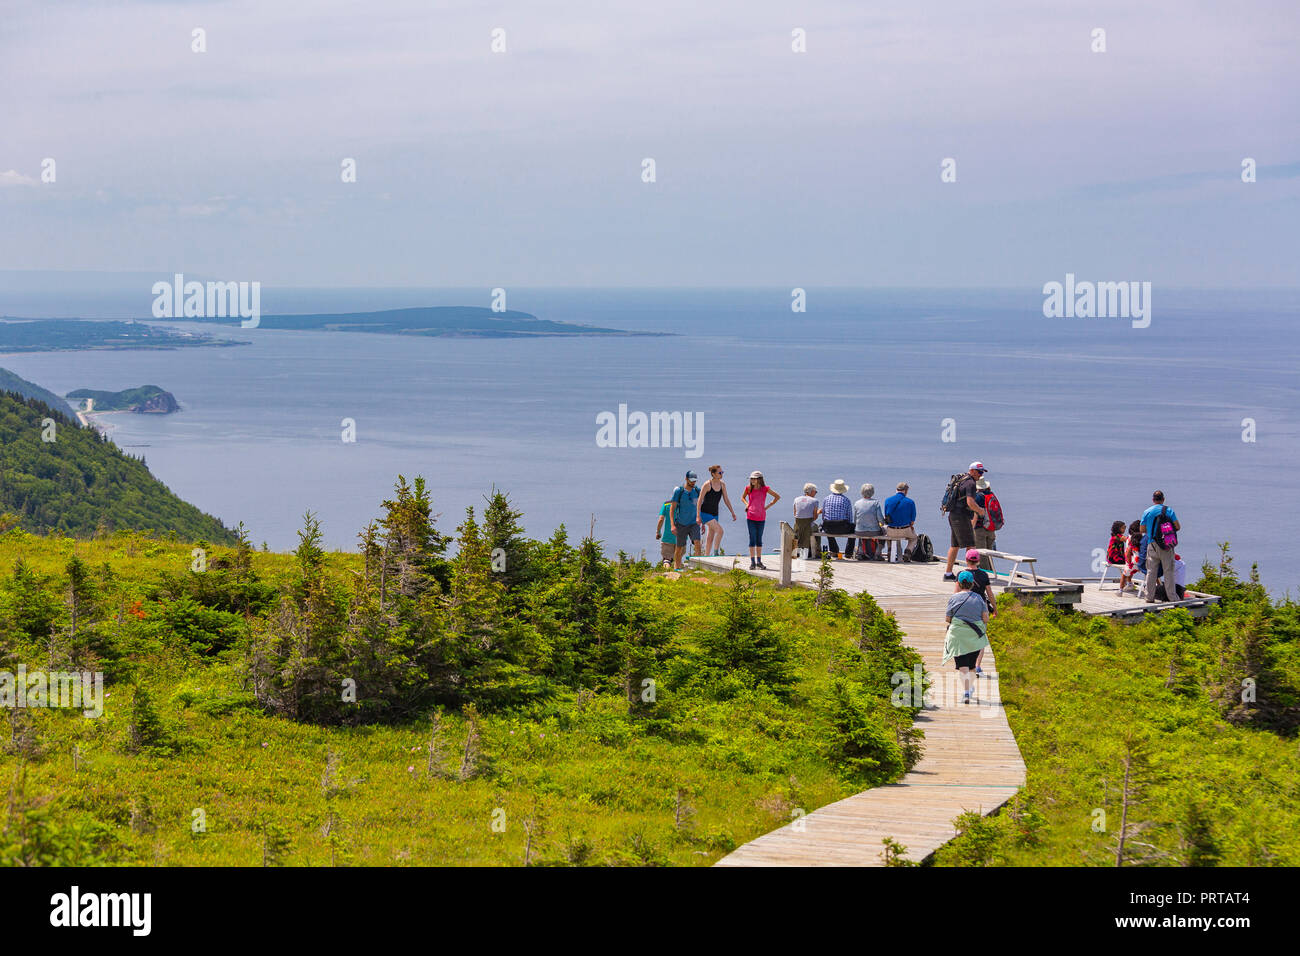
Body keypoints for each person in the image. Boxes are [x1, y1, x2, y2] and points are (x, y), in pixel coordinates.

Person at [944, 571, 989, 705]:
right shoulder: (979, 598)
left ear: (958, 583)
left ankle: (967, 691)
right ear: (972, 583)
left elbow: (948, 619)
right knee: (971, 665)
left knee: (962, 664)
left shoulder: (954, 598)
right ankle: (969, 688)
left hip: (958, 636)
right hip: (974, 636)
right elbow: (985, 618)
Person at [944, 462, 990, 581]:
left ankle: (948, 574)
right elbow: (970, 502)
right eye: (979, 472)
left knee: (955, 545)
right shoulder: (970, 483)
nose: (980, 475)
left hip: (954, 515)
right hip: (961, 516)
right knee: (971, 545)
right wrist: (980, 511)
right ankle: (972, 574)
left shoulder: (962, 479)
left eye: (982, 472)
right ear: (972, 471)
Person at [957, 549, 996, 675]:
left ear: (966, 560)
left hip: (965, 607)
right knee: (980, 636)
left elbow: (956, 593)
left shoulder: (961, 574)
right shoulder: (984, 575)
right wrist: (995, 608)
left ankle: (968, 663)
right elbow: (989, 593)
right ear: (978, 561)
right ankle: (977, 666)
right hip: (980, 607)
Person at [1140, 490, 1181, 604]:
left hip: (1152, 544)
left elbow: (1142, 530)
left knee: (1151, 572)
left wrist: (1152, 531)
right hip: (1166, 546)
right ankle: (1172, 597)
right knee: (1169, 571)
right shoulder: (1168, 510)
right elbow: (1177, 526)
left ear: (1153, 500)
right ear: (1163, 499)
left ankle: (1149, 597)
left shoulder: (1147, 512)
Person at [741, 471, 780, 570]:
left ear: (759, 479)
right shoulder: (748, 488)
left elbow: (777, 497)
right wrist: (747, 505)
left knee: (759, 539)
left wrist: (767, 506)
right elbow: (743, 497)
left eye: (754, 478)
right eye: (751, 478)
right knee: (752, 539)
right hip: (751, 517)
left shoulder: (765, 489)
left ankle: (759, 561)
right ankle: (752, 562)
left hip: (761, 517)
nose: (752, 480)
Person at [698, 464, 737, 557]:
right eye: (720, 472)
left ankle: (707, 556)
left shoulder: (722, 484)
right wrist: (697, 515)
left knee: (711, 536)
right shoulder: (707, 484)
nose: (721, 474)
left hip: (715, 513)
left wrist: (732, 512)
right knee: (720, 531)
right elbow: (700, 500)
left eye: (722, 472)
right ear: (713, 474)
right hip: (705, 513)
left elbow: (726, 499)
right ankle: (715, 553)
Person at [669, 471, 702, 570]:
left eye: (694, 481)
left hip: (694, 523)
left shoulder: (697, 491)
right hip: (681, 523)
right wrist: (672, 525)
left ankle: (697, 567)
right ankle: (676, 567)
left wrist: (702, 521)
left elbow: (700, 507)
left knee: (697, 543)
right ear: (686, 479)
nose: (693, 483)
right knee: (679, 547)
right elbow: (672, 508)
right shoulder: (679, 491)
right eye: (691, 481)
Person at [882, 482, 918, 563]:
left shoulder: (888, 500)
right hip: (905, 530)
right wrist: (910, 526)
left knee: (886, 533)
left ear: (896, 489)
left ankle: (890, 550)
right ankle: (908, 552)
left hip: (891, 530)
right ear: (906, 490)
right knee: (914, 538)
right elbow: (912, 521)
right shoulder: (910, 502)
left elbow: (886, 517)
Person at [820, 479, 856, 559]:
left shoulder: (826, 499)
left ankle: (834, 551)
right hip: (843, 528)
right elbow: (850, 518)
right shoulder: (846, 500)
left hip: (829, 527)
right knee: (853, 528)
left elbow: (823, 516)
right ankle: (848, 553)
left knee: (827, 526)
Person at [853, 483, 886, 561]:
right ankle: (877, 554)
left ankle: (860, 553)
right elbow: (880, 518)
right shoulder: (876, 503)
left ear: (862, 492)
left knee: (860, 535)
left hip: (859, 531)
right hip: (874, 531)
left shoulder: (857, 503)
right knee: (884, 534)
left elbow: (855, 520)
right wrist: (882, 524)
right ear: (872, 492)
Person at [972, 476, 998, 571]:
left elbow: (975, 514)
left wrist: (971, 529)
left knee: (982, 556)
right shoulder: (991, 495)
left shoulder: (978, 497)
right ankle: (992, 573)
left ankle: (985, 577)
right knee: (989, 555)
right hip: (991, 529)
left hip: (980, 530)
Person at [792, 483, 821, 558]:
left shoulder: (796, 499)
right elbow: (814, 517)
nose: (816, 493)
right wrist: (819, 512)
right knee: (817, 528)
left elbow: (795, 514)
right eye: (815, 492)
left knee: (802, 528)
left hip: (798, 526)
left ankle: (797, 551)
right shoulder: (815, 501)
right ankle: (817, 551)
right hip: (808, 527)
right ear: (811, 492)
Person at [1107, 520, 1130, 590]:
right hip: (1114, 558)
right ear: (1118, 528)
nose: (1124, 529)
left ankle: (1129, 582)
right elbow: (1128, 540)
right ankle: (1129, 583)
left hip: (1112, 558)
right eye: (1123, 528)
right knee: (1130, 564)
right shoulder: (1118, 536)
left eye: (1125, 527)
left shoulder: (1116, 536)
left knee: (1129, 563)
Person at [1123, 520, 1143, 594]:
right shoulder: (1137, 538)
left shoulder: (1129, 537)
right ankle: (1156, 585)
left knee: (1129, 570)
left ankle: (1129, 583)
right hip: (1134, 560)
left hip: (1129, 559)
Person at [655, 500, 677, 568]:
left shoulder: (666, 504)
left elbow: (661, 519)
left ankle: (666, 574)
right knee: (678, 559)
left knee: (667, 560)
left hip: (668, 538)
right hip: (681, 537)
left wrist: (658, 532)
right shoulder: (684, 505)